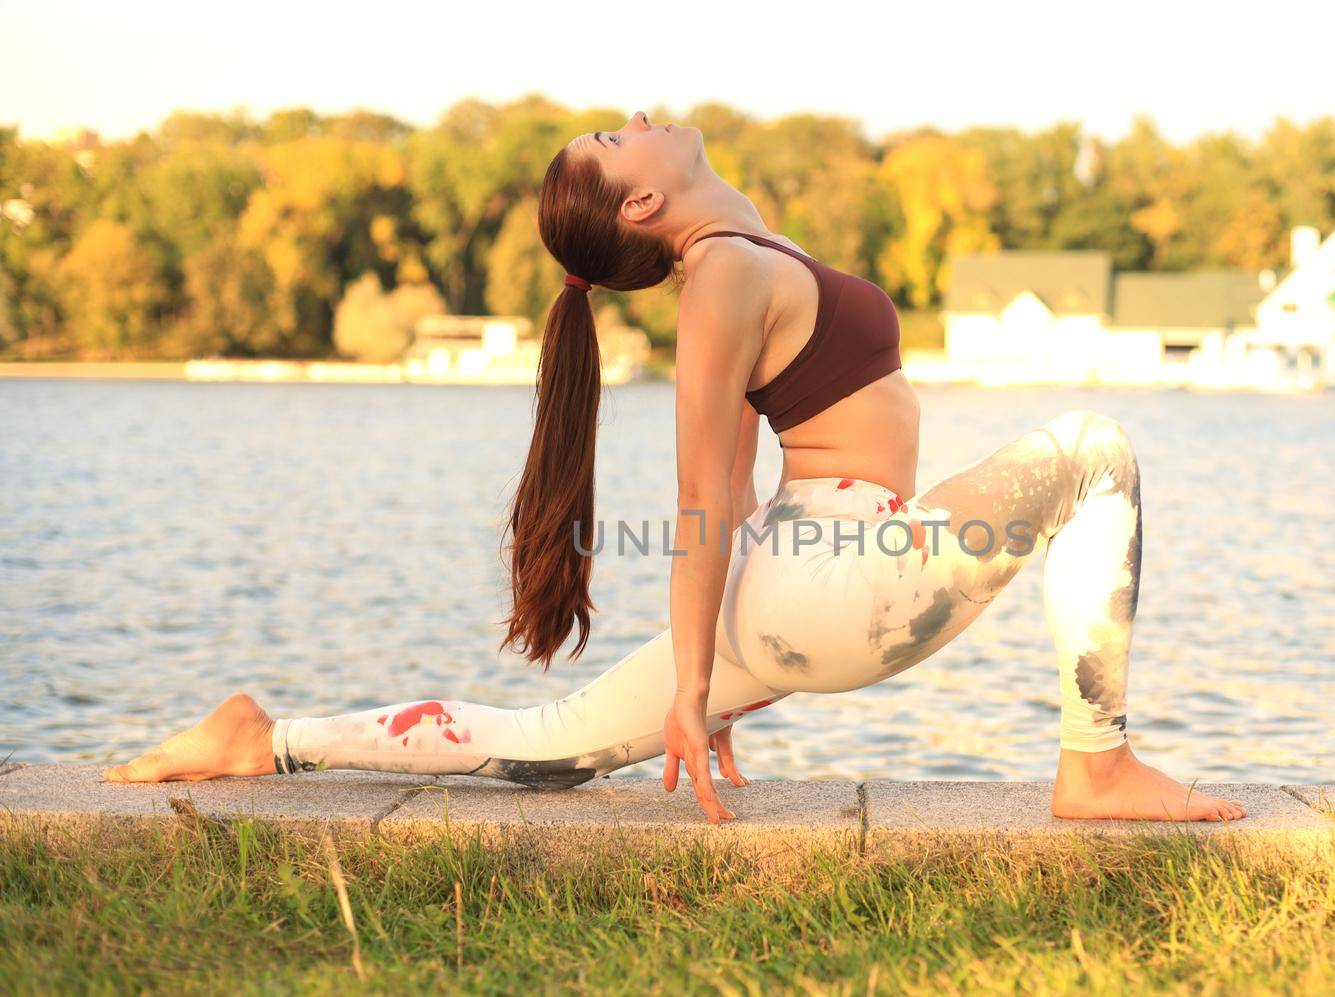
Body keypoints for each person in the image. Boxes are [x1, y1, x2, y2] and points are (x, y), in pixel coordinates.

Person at [105, 111, 1246, 826]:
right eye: (614, 139)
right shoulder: (722, 276)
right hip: (831, 570)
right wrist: (701, 680)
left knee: (548, 744)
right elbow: (705, 500)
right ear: (643, 203)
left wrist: (726, 668)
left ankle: (263, 738)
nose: (637, 116)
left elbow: (737, 505)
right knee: (1094, 452)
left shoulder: (740, 250)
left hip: (801, 573)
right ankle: (1095, 766)